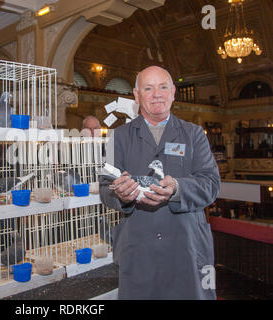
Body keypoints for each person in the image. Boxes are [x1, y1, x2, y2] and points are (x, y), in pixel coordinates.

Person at [99, 66, 220, 299]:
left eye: (163, 87)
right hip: (138, 247)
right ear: (136, 95)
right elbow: (106, 188)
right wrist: (119, 193)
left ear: (173, 92)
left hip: (186, 246)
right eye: (148, 88)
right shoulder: (120, 137)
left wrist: (177, 189)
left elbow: (211, 184)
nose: (157, 94)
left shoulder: (194, 134)